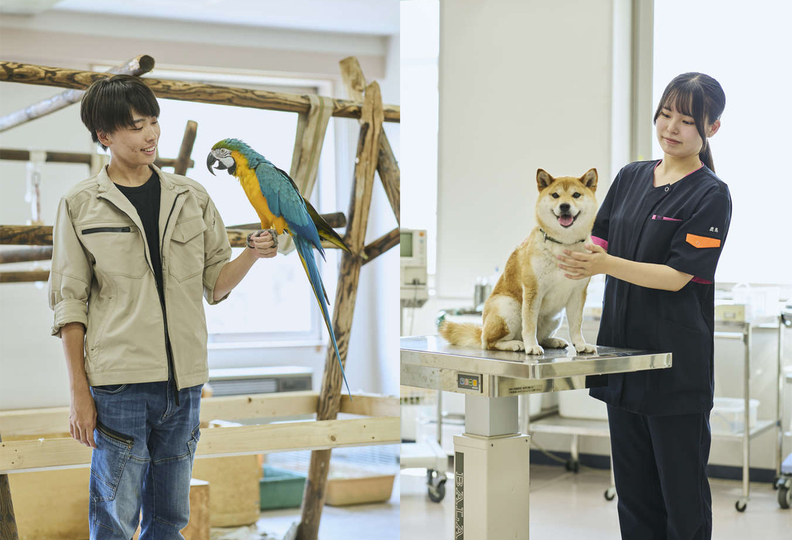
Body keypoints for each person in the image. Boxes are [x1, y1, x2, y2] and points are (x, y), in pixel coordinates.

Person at [48, 74, 277, 539]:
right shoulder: (79, 205)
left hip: (184, 386)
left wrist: (251, 253)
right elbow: (69, 305)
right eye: (136, 126)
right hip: (119, 388)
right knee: (114, 520)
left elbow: (215, 285)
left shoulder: (192, 198)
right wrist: (79, 394)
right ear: (105, 136)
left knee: (171, 520)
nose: (150, 134)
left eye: (154, 122)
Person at [556, 72, 731, 539]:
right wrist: (562, 252)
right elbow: (597, 241)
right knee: (634, 497)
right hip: (622, 357)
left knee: (682, 501)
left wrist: (604, 263)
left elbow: (677, 278)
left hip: (676, 368)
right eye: (665, 114)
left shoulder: (711, 194)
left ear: (711, 129)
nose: (671, 127)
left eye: (687, 120)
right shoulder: (632, 176)